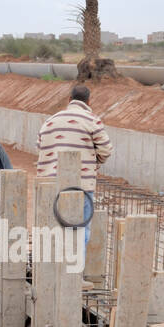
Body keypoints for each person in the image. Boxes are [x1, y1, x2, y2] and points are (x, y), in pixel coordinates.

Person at [35, 84, 112, 248]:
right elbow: (106, 149)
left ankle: (51, 273)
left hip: (49, 185)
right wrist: (92, 163)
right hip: (80, 186)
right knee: (78, 236)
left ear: (69, 99)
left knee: (51, 233)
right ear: (89, 102)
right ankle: (74, 273)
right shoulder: (92, 120)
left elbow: (40, 147)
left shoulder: (50, 121)